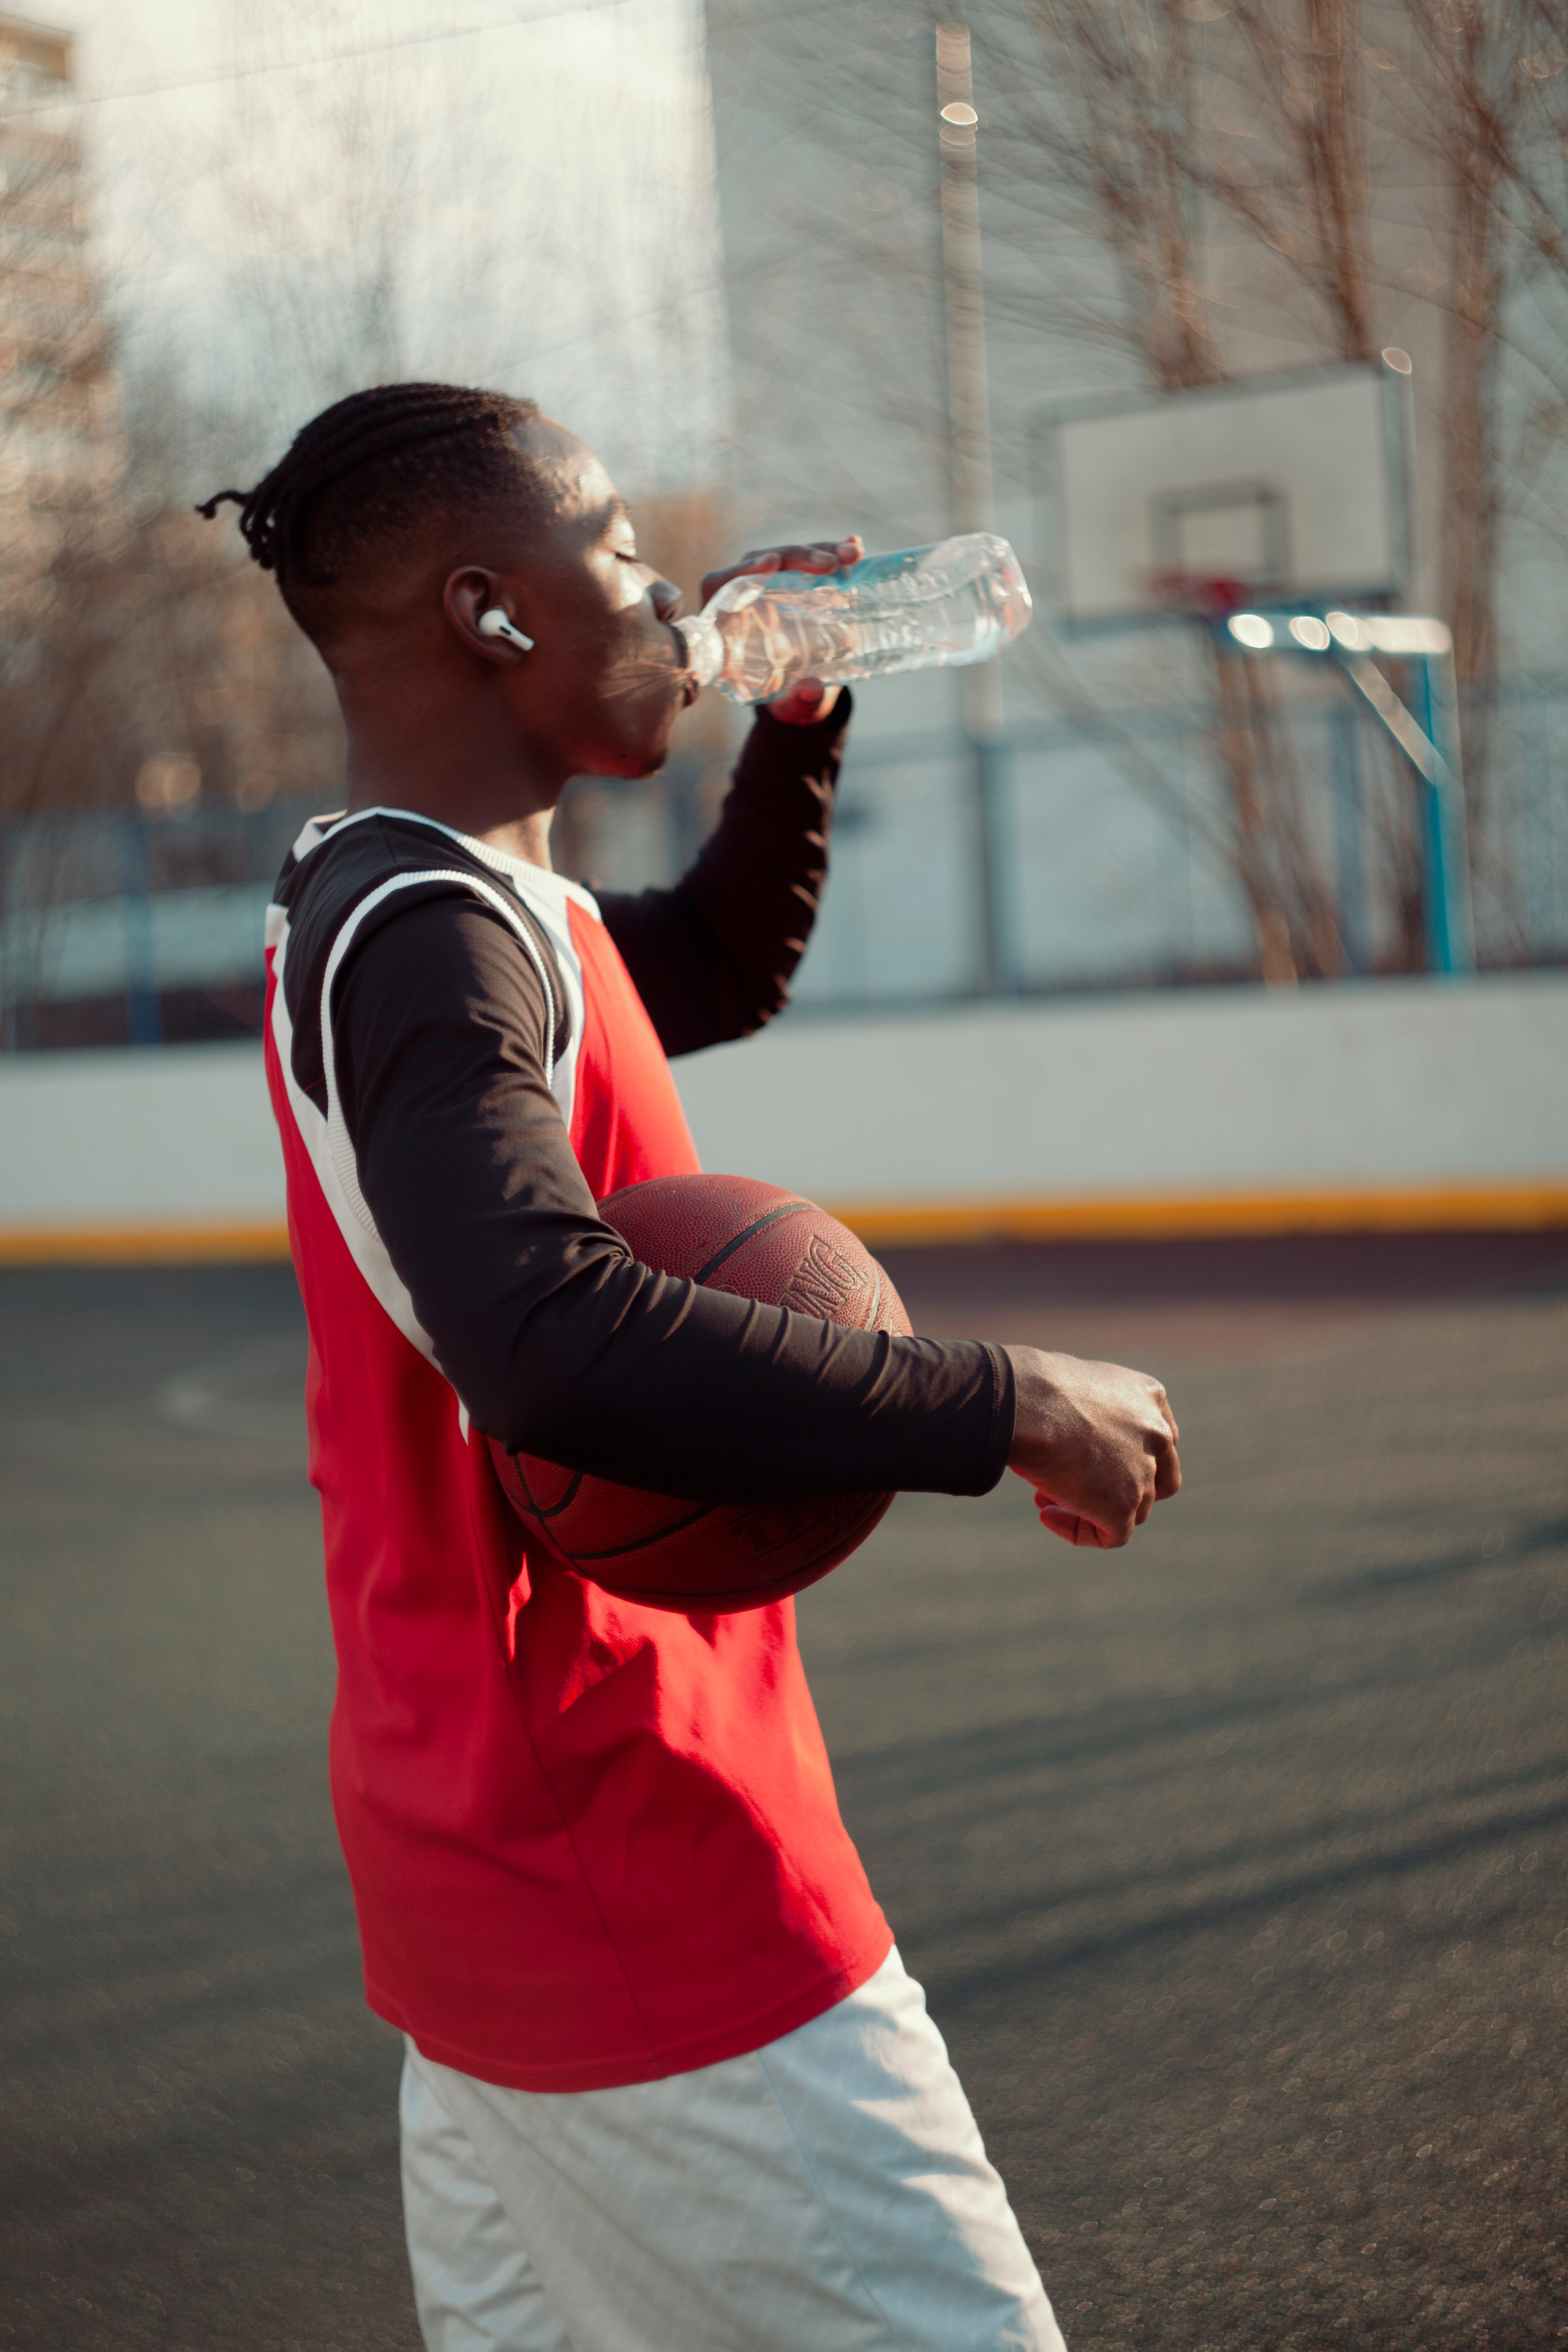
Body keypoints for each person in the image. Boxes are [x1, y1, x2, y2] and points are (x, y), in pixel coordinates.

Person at [199, 382, 1180, 2352]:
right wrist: (1000, 1407)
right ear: (491, 615)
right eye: (626, 553)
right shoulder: (425, 932)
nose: (672, 597)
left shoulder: (480, 905)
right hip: (635, 1855)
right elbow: (549, 1342)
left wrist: (800, 724)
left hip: (502, 1852)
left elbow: (722, 965)